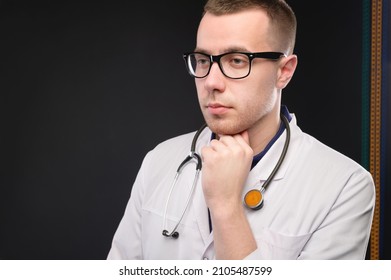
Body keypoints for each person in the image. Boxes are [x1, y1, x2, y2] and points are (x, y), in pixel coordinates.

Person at [107, 0, 375, 260]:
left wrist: (226, 208)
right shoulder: (159, 160)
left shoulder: (346, 187)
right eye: (203, 60)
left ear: (284, 71)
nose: (211, 81)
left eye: (236, 60)